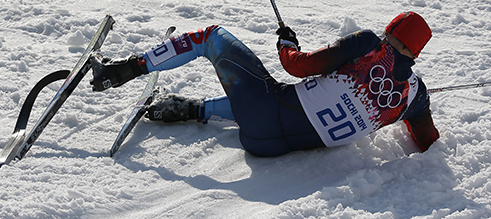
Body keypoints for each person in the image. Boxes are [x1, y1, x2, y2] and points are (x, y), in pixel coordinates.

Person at [90, 11, 440, 157]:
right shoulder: (415, 96)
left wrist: (286, 43)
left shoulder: (368, 44)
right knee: (289, 106)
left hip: (264, 113)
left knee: (211, 38)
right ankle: (193, 110)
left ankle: (123, 70)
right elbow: (427, 139)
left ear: (390, 31)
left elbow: (298, 67)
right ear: (417, 53)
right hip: (271, 148)